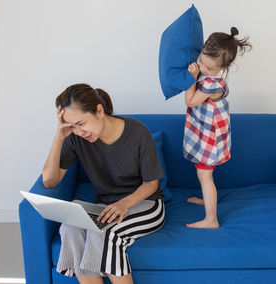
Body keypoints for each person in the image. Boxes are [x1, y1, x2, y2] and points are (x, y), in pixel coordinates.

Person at [42, 83, 166, 284]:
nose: (78, 131)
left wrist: (124, 204)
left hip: (145, 204)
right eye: (72, 126)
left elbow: (151, 184)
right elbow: (49, 181)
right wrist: (59, 136)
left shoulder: (137, 133)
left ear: (99, 110)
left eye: (81, 123)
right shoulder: (76, 138)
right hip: (105, 207)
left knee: (106, 231)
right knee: (70, 227)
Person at [183, 27, 252, 229]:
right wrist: (198, 73)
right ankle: (208, 199)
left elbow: (190, 101)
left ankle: (211, 219)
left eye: (210, 69)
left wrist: (191, 78)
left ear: (223, 68)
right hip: (206, 130)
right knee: (203, 173)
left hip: (210, 136)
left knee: (205, 175)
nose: (203, 69)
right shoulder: (207, 75)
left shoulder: (213, 84)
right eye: (201, 62)